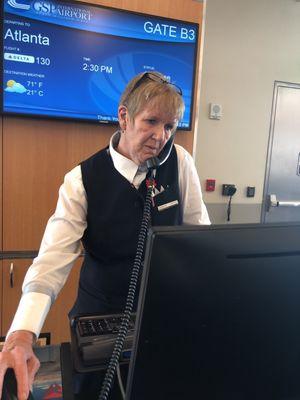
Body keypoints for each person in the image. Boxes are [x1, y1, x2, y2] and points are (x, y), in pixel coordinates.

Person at [0, 71, 210, 399]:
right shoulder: (81, 180)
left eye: (169, 126)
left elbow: (200, 240)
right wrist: (21, 335)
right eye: (151, 121)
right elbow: (50, 264)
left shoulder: (180, 162)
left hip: (160, 317)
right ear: (124, 117)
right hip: (98, 325)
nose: (161, 136)